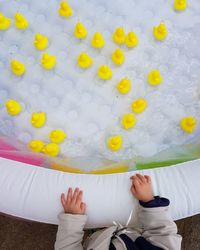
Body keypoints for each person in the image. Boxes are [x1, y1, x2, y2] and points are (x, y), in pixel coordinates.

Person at [55, 174, 182, 250]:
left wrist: (73, 218)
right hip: (134, 233)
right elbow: (163, 231)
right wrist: (148, 200)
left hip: (99, 242)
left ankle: (97, 232)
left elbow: (67, 247)